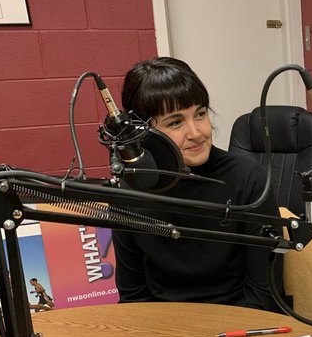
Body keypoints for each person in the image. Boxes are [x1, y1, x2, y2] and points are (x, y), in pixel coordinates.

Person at [112, 56, 281, 311]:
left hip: (241, 322)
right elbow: (133, 296)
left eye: (200, 114)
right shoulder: (129, 192)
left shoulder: (249, 179)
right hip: (165, 328)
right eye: (175, 122)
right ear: (142, 132)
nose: (196, 133)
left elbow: (264, 294)